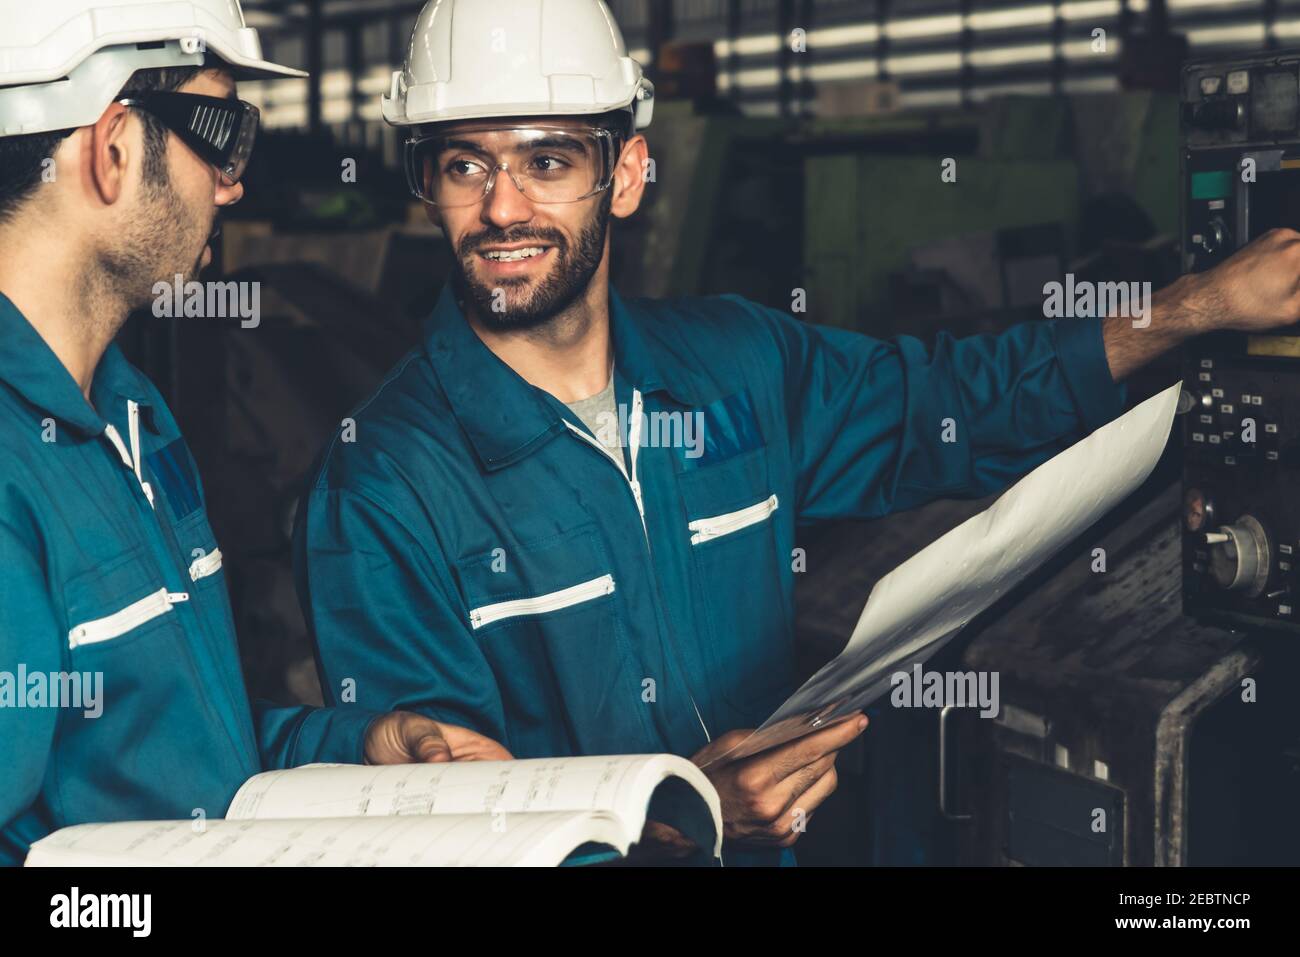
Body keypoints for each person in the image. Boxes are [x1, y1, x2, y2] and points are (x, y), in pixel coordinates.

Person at [294, 0, 1300, 865]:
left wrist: (1196, 307)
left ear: (630, 173)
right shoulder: (382, 480)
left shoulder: (736, 366)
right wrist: (678, 817)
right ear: (427, 185)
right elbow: (429, 825)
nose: (501, 206)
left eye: (547, 160)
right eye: (464, 164)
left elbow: (957, 399)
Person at [0, 0, 505, 867]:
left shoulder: (133, 418)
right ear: (114, 147)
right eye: (222, 134)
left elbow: (181, 756)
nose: (232, 183)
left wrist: (364, 745)